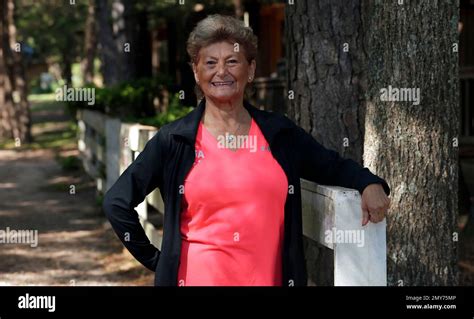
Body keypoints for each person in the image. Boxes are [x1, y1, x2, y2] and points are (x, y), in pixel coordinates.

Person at [103, 14, 391, 287]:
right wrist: (160, 261)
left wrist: (368, 182)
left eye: (232, 61)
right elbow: (117, 202)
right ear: (196, 71)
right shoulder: (174, 140)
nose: (221, 72)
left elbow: (331, 165)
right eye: (210, 63)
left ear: (250, 70)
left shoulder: (279, 133)